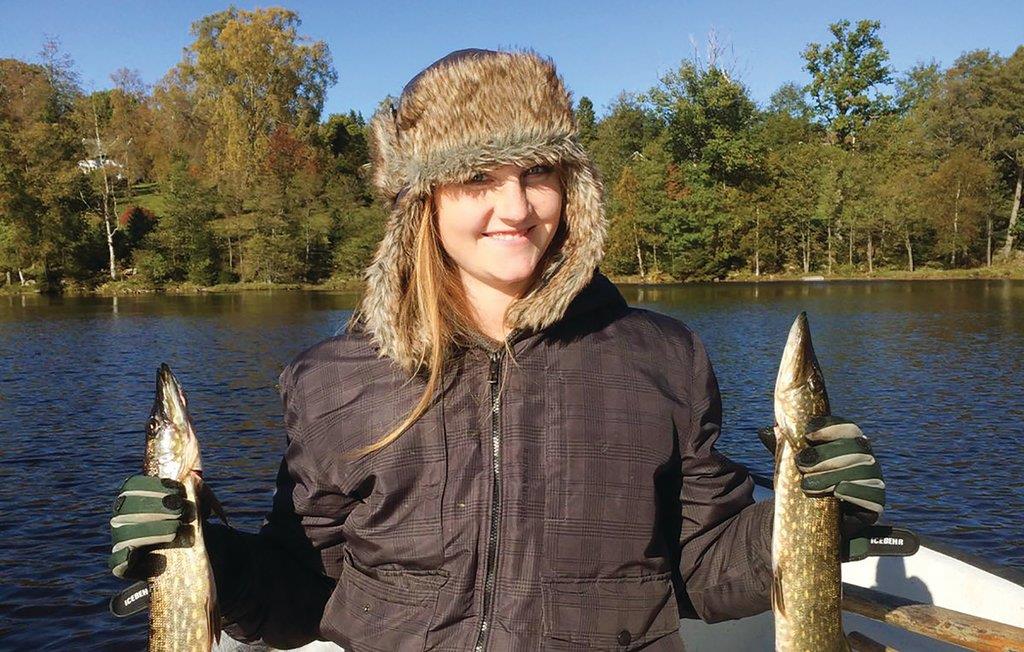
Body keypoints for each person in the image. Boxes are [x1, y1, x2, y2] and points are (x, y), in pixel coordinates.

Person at [109, 49, 886, 651]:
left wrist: (810, 519)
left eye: (538, 172)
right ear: (423, 200)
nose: (515, 207)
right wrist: (199, 559)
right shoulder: (333, 380)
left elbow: (702, 564)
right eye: (478, 177)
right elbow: (305, 591)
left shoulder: (661, 359)